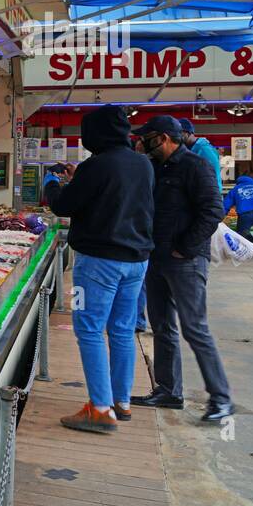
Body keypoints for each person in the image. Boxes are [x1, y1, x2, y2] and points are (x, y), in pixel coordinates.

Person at [41, 105, 154, 433]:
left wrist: (52, 184)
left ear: (96, 133)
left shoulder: (96, 165)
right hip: (136, 262)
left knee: (88, 329)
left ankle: (100, 410)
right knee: (122, 329)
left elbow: (62, 205)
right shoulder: (143, 164)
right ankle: (121, 401)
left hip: (97, 265)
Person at [130, 116, 233, 421]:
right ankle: (168, 390)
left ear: (162, 138)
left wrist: (185, 247)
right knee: (162, 326)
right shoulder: (157, 168)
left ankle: (221, 399)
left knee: (195, 328)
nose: (141, 143)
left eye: (145, 138)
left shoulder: (195, 166)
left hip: (186, 260)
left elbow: (213, 210)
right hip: (157, 257)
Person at [178, 118, 222, 193]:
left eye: (179, 133)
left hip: (208, 195)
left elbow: (211, 176)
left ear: (187, 133)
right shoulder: (189, 149)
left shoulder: (204, 150)